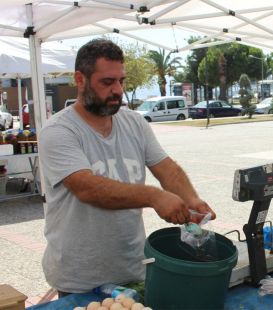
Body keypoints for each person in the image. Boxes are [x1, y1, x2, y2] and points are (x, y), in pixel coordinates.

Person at [39, 38, 215, 297]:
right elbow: (86, 188)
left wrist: (191, 199)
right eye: (107, 82)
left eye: (120, 81)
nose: (117, 90)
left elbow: (166, 168)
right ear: (80, 80)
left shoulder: (134, 123)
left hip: (133, 267)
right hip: (80, 278)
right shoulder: (58, 131)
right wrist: (154, 196)